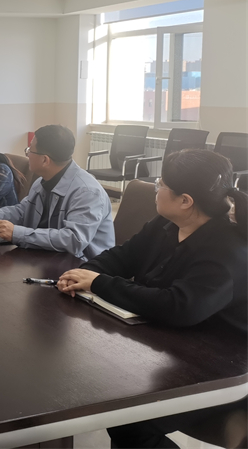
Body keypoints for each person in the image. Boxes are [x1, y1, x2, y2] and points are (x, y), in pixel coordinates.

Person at [57, 149, 248, 448]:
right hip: (173, 345)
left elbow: (180, 306)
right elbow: (122, 257)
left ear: (185, 201)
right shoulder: (165, 224)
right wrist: (84, 273)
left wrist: (99, 283)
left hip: (224, 366)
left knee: (130, 422)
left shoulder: (228, 250)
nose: (156, 189)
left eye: (161, 184)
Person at [0, 125, 114, 261]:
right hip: (50, 257)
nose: (27, 154)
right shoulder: (42, 181)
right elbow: (23, 211)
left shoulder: (87, 192)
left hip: (85, 266)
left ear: (45, 160)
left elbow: (73, 240)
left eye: (30, 150)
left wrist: (17, 233)